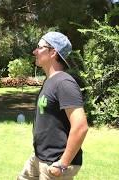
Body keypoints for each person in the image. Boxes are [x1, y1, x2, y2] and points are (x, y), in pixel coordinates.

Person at [17, 32, 88, 179]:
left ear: (53, 52)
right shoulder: (49, 81)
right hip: (40, 157)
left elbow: (80, 127)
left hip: (55, 163)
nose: (34, 51)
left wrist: (62, 164)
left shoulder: (64, 83)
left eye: (39, 47)